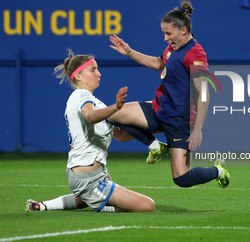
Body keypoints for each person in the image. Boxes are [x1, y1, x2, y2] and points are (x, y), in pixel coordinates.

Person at [107, 0, 230, 189]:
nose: (165, 38)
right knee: (111, 116)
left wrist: (197, 129)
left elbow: (204, 94)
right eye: (163, 33)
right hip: (158, 110)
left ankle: (217, 171)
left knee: (182, 179)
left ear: (183, 30)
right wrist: (129, 52)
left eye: (168, 33)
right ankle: (154, 145)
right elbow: (158, 63)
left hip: (179, 122)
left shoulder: (196, 54)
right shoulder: (174, 47)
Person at [26, 50, 155, 213]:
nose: (99, 74)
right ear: (78, 76)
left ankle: (43, 206)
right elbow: (91, 116)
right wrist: (115, 107)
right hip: (87, 176)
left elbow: (119, 135)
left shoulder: (95, 102)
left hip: (93, 173)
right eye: (93, 70)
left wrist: (156, 130)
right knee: (147, 206)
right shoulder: (81, 95)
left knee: (85, 199)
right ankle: (103, 206)